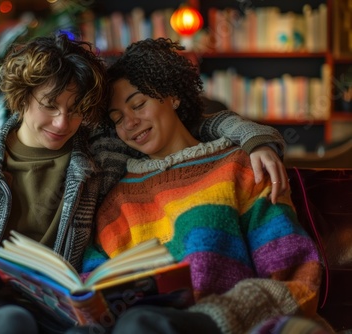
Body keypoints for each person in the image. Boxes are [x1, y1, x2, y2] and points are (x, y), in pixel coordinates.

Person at [0, 34, 287, 334]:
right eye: (49, 106)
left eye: (76, 109)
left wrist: (254, 139)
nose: (63, 123)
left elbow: (184, 120)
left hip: (36, 313)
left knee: (15, 324)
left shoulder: (100, 153)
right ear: (22, 98)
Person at [79, 38, 333, 334]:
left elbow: (292, 276)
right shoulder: (117, 201)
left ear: (172, 96)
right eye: (118, 119)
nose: (130, 123)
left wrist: (215, 318)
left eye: (138, 104)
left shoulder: (238, 168)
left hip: (222, 323)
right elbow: (92, 284)